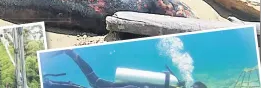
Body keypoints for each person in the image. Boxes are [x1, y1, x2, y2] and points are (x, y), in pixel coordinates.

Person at [43, 49, 208, 88]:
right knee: (95, 83)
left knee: (95, 83)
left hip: (130, 85)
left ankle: (53, 83)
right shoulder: (175, 84)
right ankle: (70, 55)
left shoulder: (176, 83)